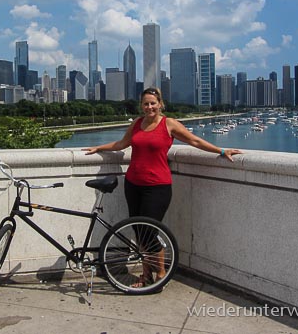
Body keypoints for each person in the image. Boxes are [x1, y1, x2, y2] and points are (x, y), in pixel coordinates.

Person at [83, 87, 242, 287]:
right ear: (141, 106)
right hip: (133, 184)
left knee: (149, 232)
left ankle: (161, 272)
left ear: (160, 104)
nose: (149, 107)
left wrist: (221, 150)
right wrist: (98, 148)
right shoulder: (137, 123)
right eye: (145, 103)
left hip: (157, 186)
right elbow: (122, 144)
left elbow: (194, 140)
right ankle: (146, 275)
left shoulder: (169, 124)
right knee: (139, 232)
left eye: (152, 103)